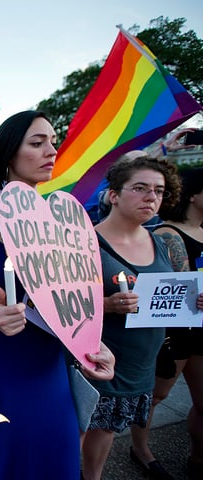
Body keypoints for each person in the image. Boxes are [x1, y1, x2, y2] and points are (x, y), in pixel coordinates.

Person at [0, 111, 115, 479]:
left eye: (53, 141)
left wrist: (93, 348)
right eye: (37, 143)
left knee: (52, 458)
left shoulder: (65, 223)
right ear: (9, 154)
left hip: (49, 369)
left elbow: (75, 301)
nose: (51, 151)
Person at [81, 156, 201, 480]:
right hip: (99, 365)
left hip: (141, 362)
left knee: (111, 433)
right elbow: (60, 305)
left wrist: (195, 300)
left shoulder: (159, 241)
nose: (151, 197)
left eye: (159, 191)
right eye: (140, 188)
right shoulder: (86, 243)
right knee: (91, 441)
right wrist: (107, 304)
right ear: (114, 195)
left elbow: (173, 295)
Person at [130, 167, 203, 480]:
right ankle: (141, 449)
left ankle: (198, 458)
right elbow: (164, 289)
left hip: (200, 330)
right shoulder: (167, 234)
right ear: (194, 194)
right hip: (175, 334)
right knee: (155, 397)